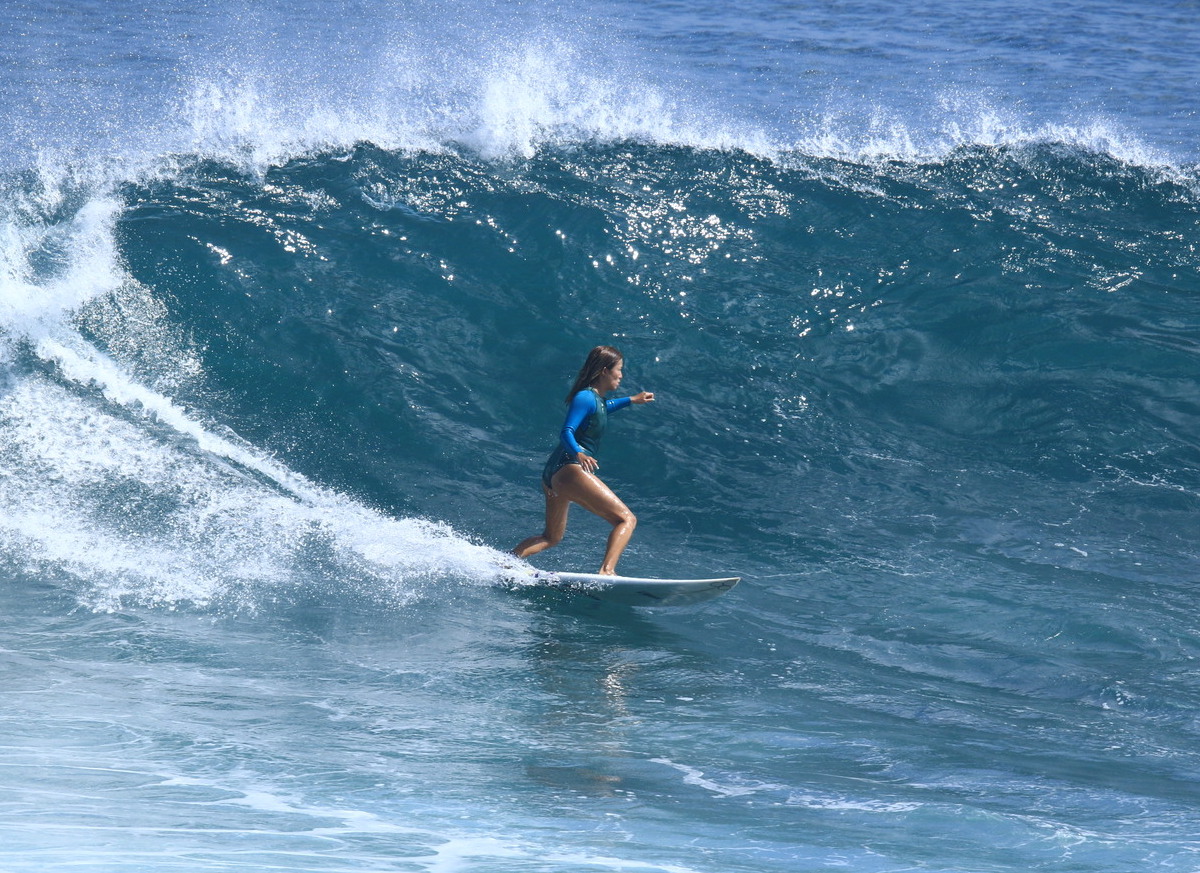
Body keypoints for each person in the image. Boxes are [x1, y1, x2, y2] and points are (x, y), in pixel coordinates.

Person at [512, 345, 654, 575]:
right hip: (570, 470)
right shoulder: (585, 396)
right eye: (619, 369)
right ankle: (607, 571)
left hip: (554, 475)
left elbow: (603, 408)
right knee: (626, 519)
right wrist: (578, 451)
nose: (622, 375)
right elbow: (566, 431)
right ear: (605, 371)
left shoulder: (593, 399)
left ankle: (506, 564)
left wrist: (631, 400)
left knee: (551, 537)